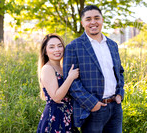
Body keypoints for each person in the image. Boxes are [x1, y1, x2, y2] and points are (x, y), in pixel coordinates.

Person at [63, 5, 125, 133]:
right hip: (92, 110)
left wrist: (120, 93)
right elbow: (71, 82)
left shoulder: (112, 45)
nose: (93, 22)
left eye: (97, 18)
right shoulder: (73, 47)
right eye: (88, 19)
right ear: (82, 23)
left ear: (102, 20)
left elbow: (119, 72)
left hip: (115, 107)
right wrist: (92, 104)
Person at [37, 33, 80, 133]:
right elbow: (56, 97)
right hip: (55, 118)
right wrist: (70, 77)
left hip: (68, 116)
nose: (57, 50)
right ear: (46, 51)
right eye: (52, 47)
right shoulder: (47, 68)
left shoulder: (62, 68)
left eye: (59, 46)